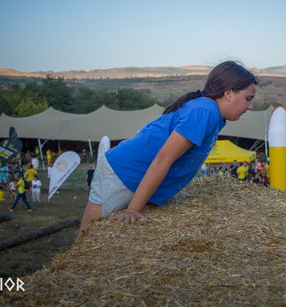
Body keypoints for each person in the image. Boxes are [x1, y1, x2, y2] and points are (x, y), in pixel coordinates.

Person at [78, 61, 257, 236]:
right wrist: (134, 209)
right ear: (228, 93)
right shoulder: (205, 112)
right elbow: (163, 158)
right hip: (122, 173)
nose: (250, 106)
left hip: (129, 175)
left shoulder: (209, 111)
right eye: (248, 99)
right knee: (89, 237)